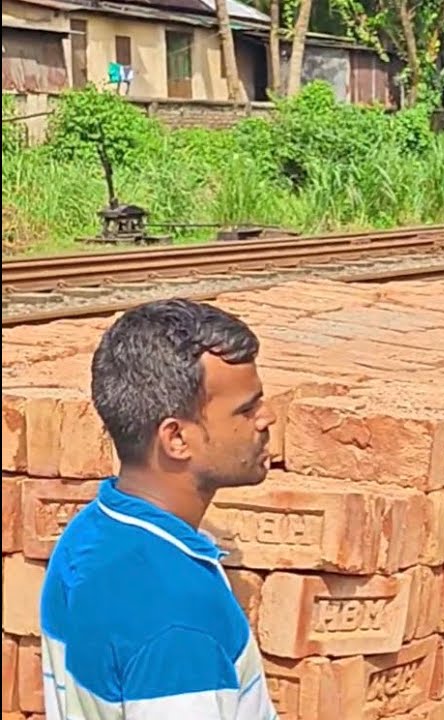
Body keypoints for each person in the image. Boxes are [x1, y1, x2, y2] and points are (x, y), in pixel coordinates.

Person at [40, 299, 279, 720]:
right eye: (246, 408)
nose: (267, 418)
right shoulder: (179, 622)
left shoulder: (88, 535)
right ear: (176, 439)